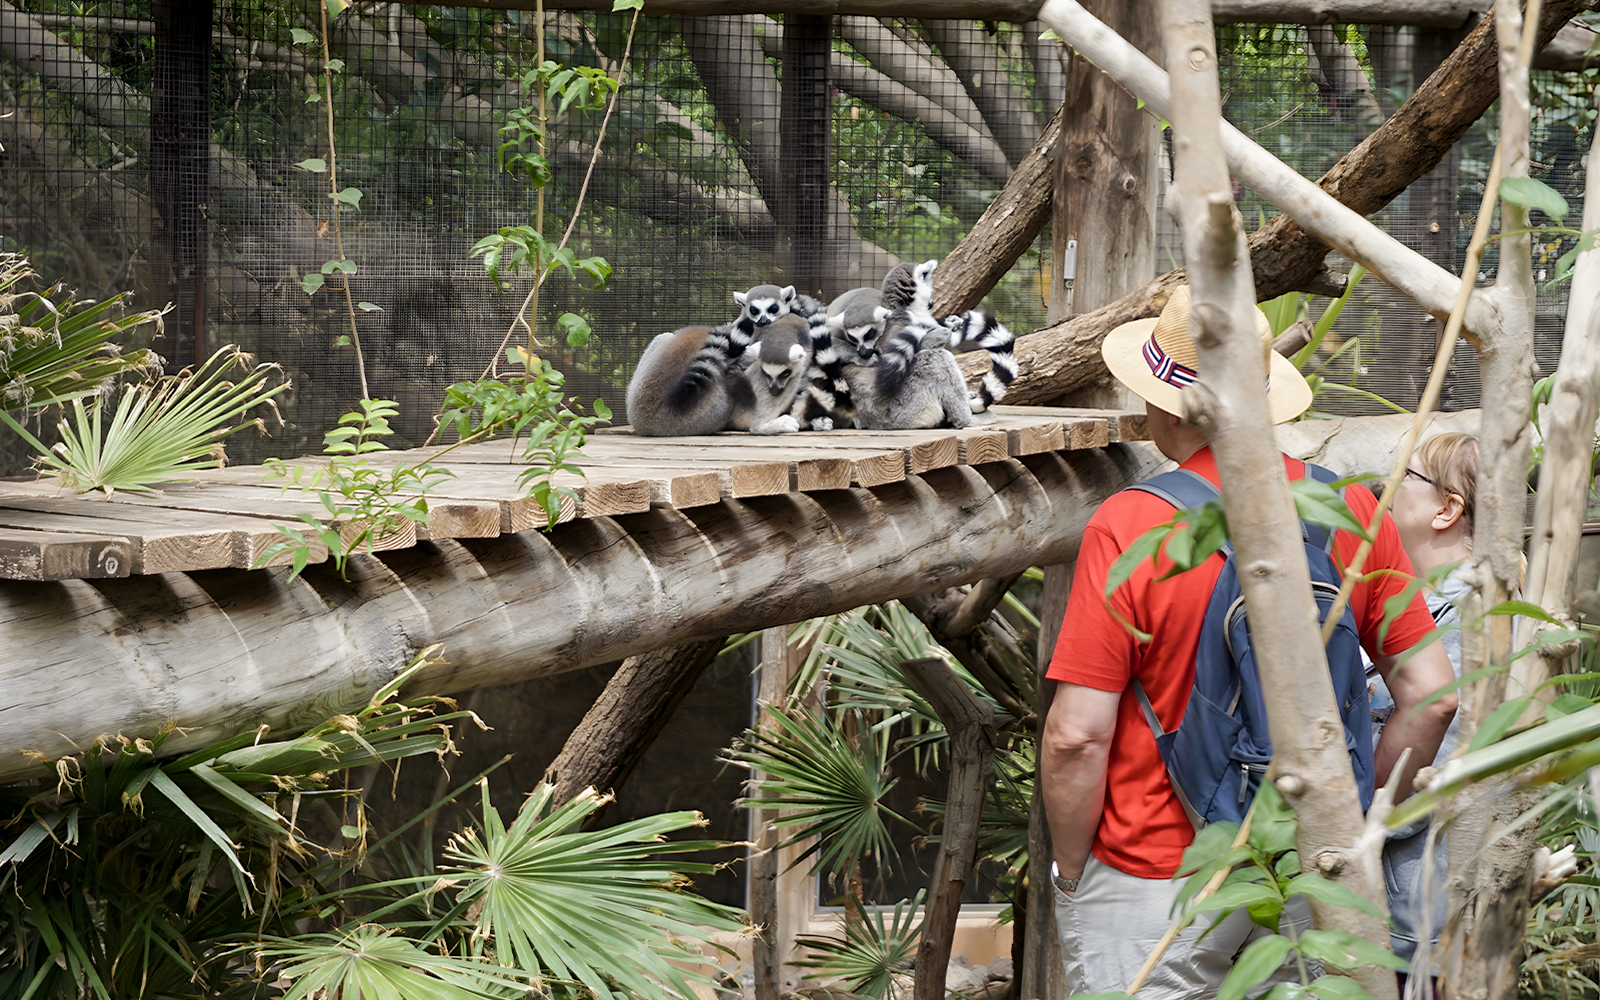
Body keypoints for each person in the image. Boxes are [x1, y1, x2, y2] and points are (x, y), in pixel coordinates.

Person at [1039, 286, 1460, 998]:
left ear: (1169, 405)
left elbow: (1076, 736)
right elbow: (1432, 697)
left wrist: (1074, 871)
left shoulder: (1131, 524)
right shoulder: (1352, 508)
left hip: (1158, 872)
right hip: (1314, 861)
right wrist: (1353, 815)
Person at [1371, 430, 1479, 984]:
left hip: (1416, 918)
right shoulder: (1416, 601)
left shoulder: (1467, 616)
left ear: (1447, 508)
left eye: (1404, 477)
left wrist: (1346, 828)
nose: (1384, 489)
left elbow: (1438, 762)